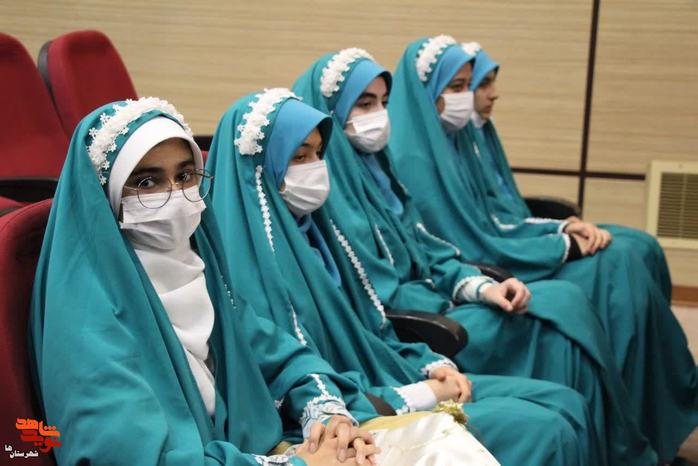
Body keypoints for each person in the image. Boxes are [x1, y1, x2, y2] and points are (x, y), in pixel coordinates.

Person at [292, 48, 683, 465]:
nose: (380, 116)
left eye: (384, 102)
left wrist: (481, 287)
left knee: (587, 289)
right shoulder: (332, 192)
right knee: (565, 318)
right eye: (365, 103)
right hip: (418, 321)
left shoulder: (374, 167)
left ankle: (629, 440)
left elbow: (429, 244)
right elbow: (378, 298)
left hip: (431, 307)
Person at [205, 87, 613, 466]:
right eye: (298, 157)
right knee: (547, 426)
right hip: (356, 412)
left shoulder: (316, 230)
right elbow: (297, 384)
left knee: (565, 402)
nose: (315, 168)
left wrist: (429, 365)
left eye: (318, 153)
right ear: (261, 169)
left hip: (388, 376)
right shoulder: (242, 266)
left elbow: (374, 327)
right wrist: (423, 393)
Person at [29, 97, 384, 466]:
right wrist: (300, 464)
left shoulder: (196, 269)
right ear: (107, 195)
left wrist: (325, 417)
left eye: (185, 176)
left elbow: (278, 356)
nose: (174, 195)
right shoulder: (88, 321)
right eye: (147, 182)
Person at [465, 44, 672, 300]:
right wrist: (559, 231)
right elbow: (488, 224)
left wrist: (559, 226)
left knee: (643, 244)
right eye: (481, 84)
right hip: (509, 247)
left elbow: (509, 209)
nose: (495, 94)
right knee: (620, 258)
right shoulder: (453, 145)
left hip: (522, 229)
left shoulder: (482, 132)